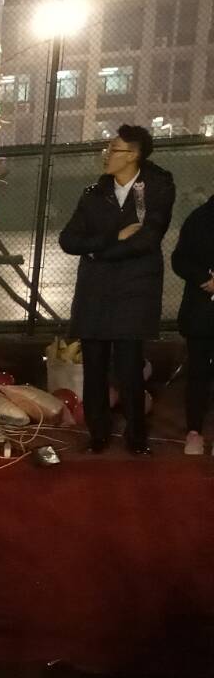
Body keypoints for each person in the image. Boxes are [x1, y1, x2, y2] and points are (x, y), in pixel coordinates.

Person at [58, 124, 174, 455]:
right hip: (95, 292)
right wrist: (113, 238)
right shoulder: (94, 193)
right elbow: (69, 240)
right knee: (94, 366)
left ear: (133, 155)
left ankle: (136, 438)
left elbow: (148, 239)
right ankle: (98, 434)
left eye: (114, 149)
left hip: (135, 291)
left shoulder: (157, 187)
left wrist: (97, 251)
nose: (107, 155)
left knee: (129, 367)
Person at [171, 195, 214, 454]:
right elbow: (179, 259)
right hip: (201, 312)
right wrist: (204, 279)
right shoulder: (200, 218)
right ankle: (194, 432)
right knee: (198, 372)